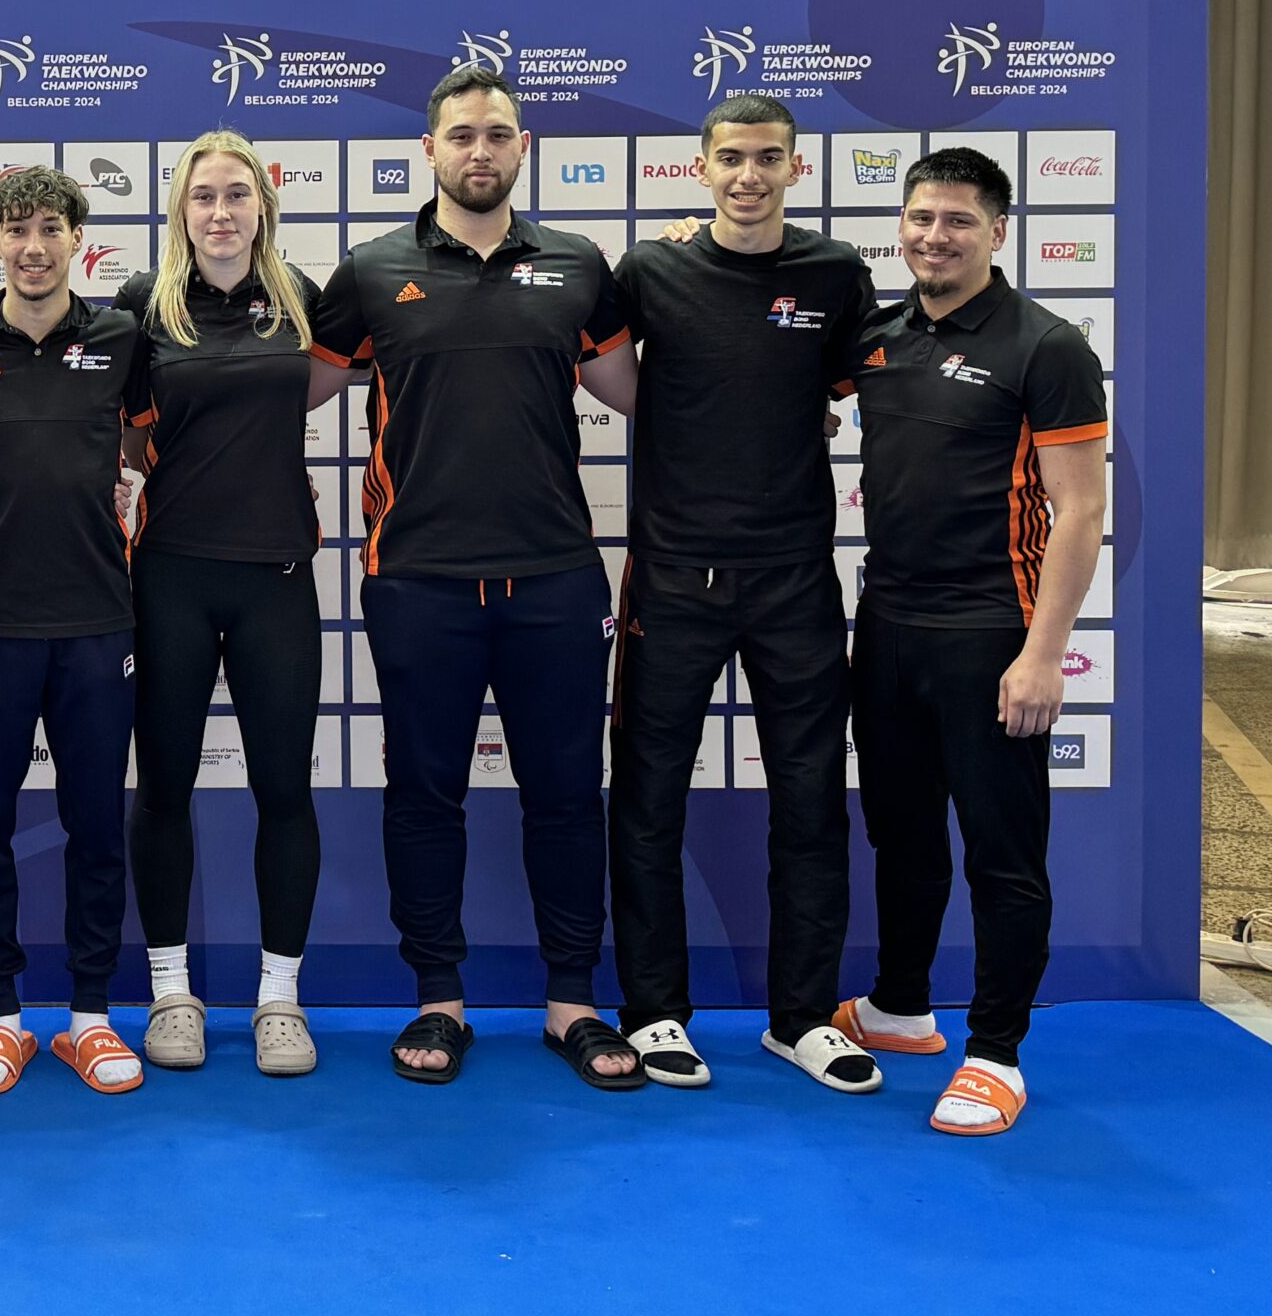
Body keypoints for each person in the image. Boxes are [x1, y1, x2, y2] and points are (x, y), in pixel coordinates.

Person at [311, 64, 643, 1090]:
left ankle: (572, 1002)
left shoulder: (578, 265)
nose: (480, 151)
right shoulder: (371, 271)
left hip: (555, 578)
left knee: (566, 796)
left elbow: (645, 394)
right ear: (430, 150)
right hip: (418, 579)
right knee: (424, 795)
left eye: (497, 134)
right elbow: (280, 391)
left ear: (522, 147)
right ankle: (439, 998)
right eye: (461, 135)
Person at [605, 93, 880, 1092]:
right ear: (702, 168)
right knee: (647, 804)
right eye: (731, 158)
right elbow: (592, 362)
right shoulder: (651, 269)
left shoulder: (835, 273)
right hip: (673, 579)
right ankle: (653, 1013)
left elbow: (845, 389)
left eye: (768, 158)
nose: (749, 175)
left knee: (810, 804)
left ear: (795, 168)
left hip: (795, 581)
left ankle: (800, 1018)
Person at [830, 147, 1106, 1135]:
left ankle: (995, 1053)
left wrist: (1042, 653)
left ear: (998, 230)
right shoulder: (879, 336)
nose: (934, 237)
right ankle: (901, 1008)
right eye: (920, 218)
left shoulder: (1046, 346)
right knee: (900, 834)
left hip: (991, 633)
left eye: (957, 221)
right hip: (887, 627)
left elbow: (1081, 512)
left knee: (1001, 853)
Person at [116, 131, 352, 1078]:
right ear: (181, 210)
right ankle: (171, 992)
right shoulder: (144, 304)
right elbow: (117, 429)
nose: (220, 212)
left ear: (263, 206)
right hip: (170, 576)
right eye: (203, 196)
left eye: (236, 195)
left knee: (284, 791)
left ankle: (279, 999)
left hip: (276, 581)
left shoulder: (304, 299)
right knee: (164, 789)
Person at [0, 166, 148, 1096]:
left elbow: (145, 443)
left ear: (77, 238)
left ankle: (90, 1016)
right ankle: (1, 1015)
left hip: (99, 622)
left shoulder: (122, 337)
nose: (34, 247)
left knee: (96, 823)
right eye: (16, 230)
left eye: (51, 228)